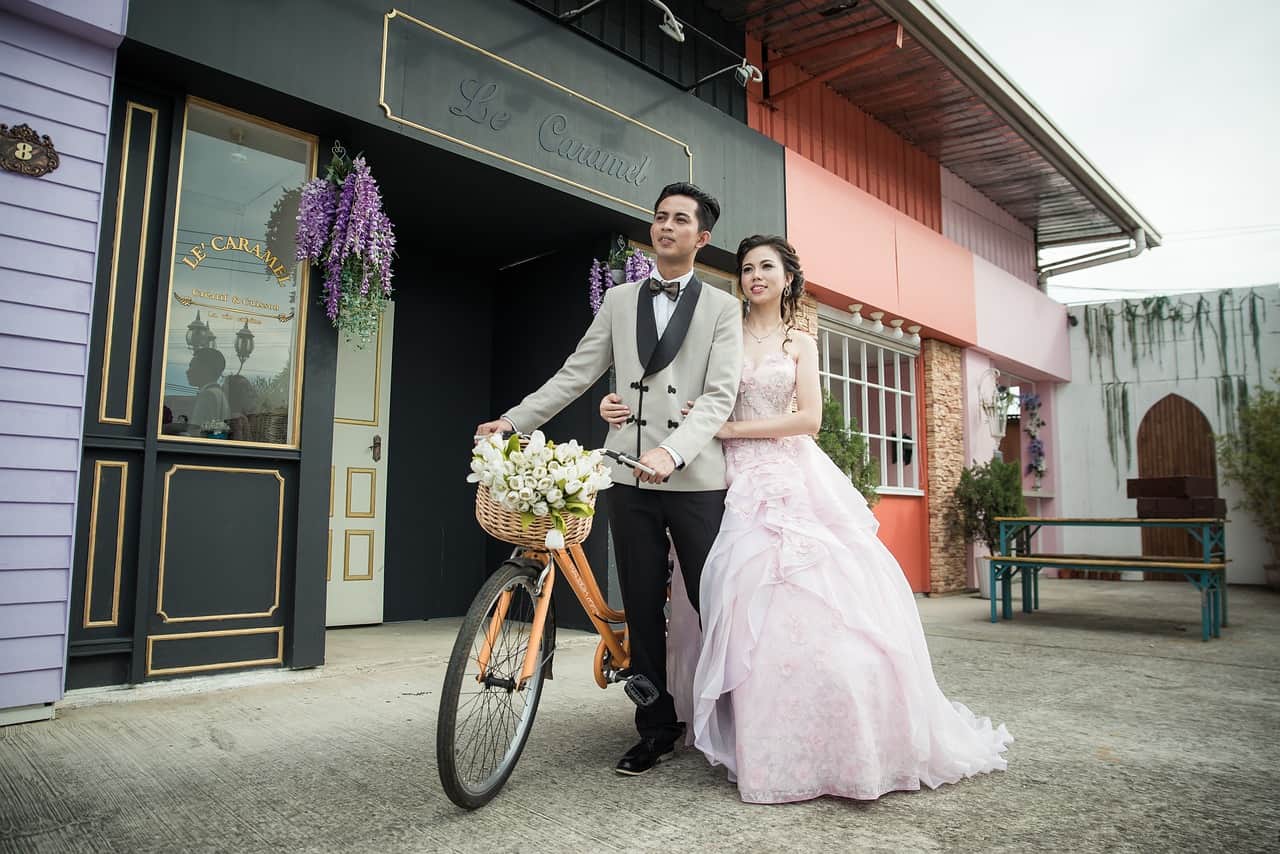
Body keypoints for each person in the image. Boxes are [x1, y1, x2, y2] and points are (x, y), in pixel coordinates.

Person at [600, 235, 1012, 803]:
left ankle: (822, 731)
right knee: (727, 595)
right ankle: (731, 720)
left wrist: (731, 430)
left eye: (767, 266)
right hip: (719, 475)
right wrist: (615, 404)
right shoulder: (718, 330)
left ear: (788, 278)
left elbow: (810, 419)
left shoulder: (801, 343)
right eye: (746, 268)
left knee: (805, 597)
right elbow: (669, 389)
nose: (755, 276)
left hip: (782, 475)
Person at [476, 182, 744, 776]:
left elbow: (720, 396)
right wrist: (513, 420)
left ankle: (735, 718)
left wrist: (674, 453)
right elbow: (575, 373)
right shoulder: (620, 300)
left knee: (712, 602)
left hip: (694, 476)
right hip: (629, 475)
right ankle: (655, 725)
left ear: (701, 238)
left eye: (680, 220)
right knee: (642, 605)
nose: (665, 226)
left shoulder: (724, 308)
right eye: (659, 217)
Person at [186, 348, 230, 437]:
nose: (187, 371)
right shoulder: (219, 394)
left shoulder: (208, 395)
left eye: (192, 366)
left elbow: (196, 433)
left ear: (205, 368)